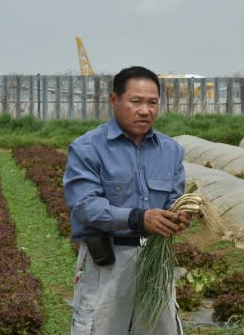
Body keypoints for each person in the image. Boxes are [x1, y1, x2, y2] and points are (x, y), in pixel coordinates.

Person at [63, 65, 191, 335]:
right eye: (136, 101)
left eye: (152, 103)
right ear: (114, 100)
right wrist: (138, 218)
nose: (145, 110)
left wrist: (178, 216)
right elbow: (85, 206)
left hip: (156, 263)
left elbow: (174, 199)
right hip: (107, 263)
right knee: (99, 327)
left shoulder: (171, 150)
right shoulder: (88, 149)